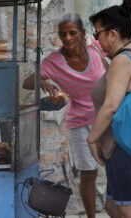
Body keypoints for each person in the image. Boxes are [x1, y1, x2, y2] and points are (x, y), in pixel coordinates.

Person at [23, 13, 107, 218]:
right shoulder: (53, 62)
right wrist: (42, 82)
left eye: (72, 33)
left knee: (115, 168)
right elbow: (27, 83)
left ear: (82, 33)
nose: (68, 38)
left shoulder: (95, 49)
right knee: (89, 173)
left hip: (107, 118)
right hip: (80, 124)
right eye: (63, 34)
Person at [87, 0, 131, 218]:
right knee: (113, 207)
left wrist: (92, 138)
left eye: (98, 35)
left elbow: (111, 107)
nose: (97, 41)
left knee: (127, 210)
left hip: (125, 146)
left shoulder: (122, 61)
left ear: (112, 34)